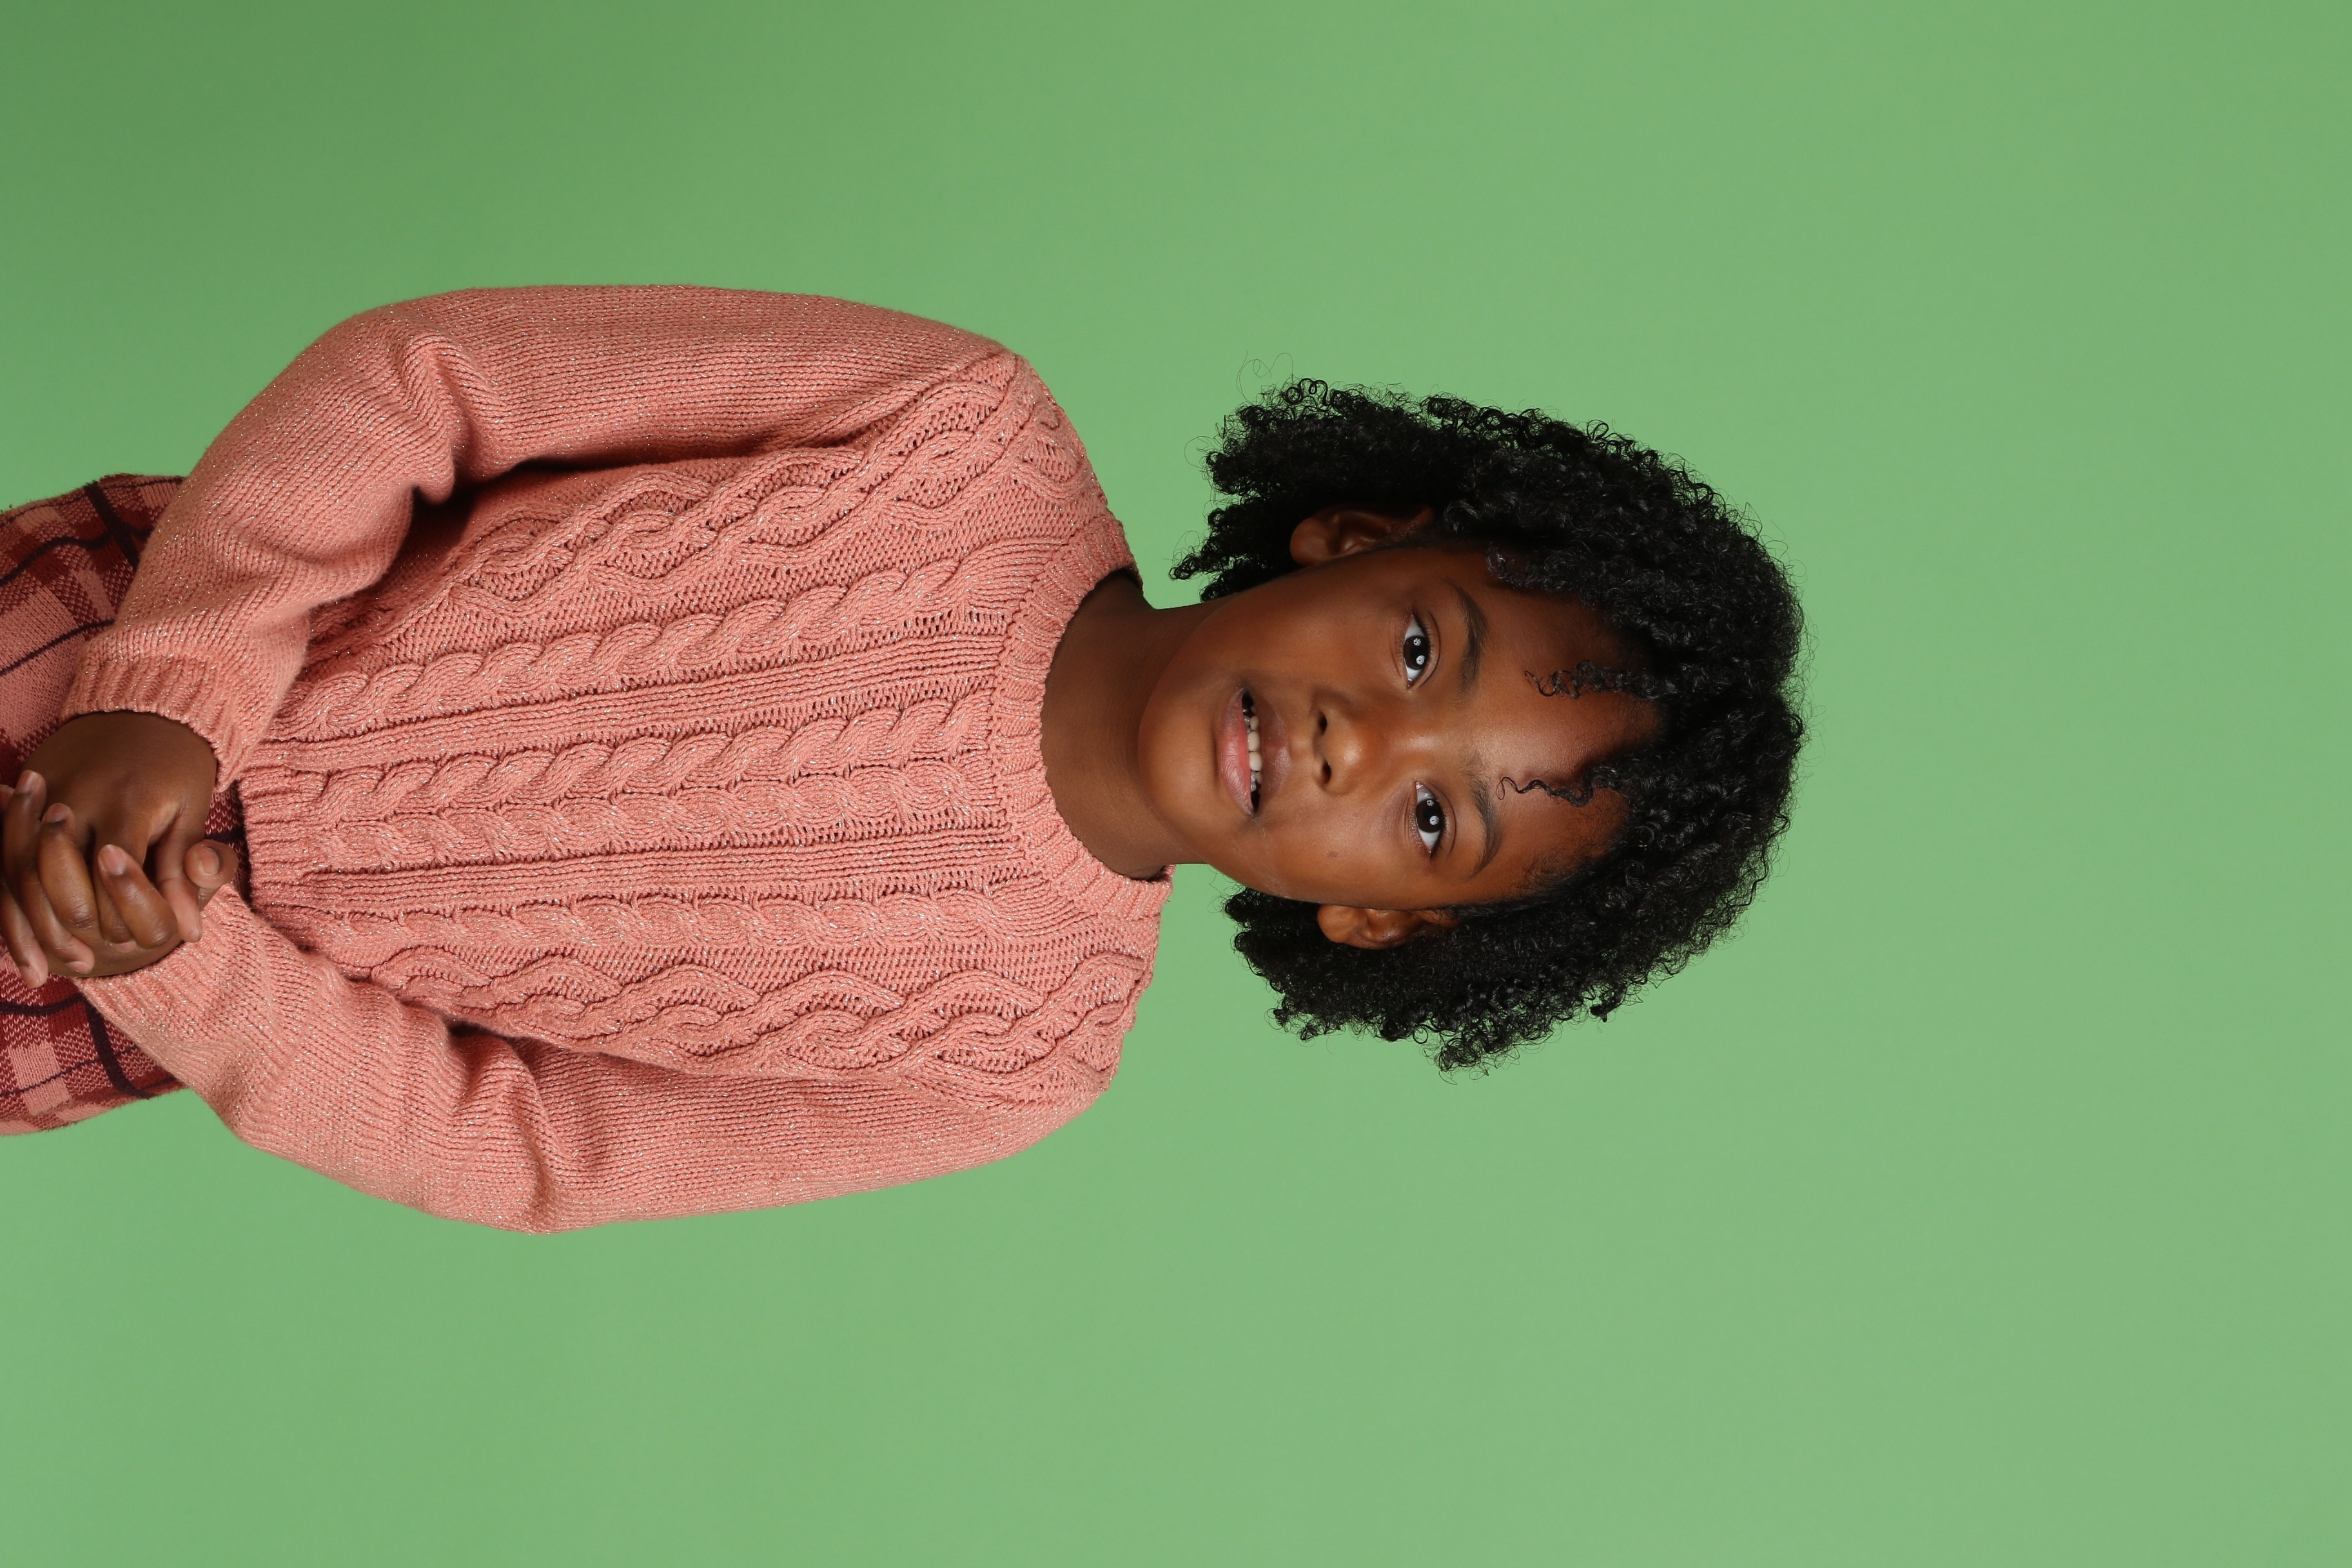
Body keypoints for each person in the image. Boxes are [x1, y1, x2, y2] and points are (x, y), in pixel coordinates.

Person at [0, 287, 1803, 1230]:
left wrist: (187, 966)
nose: (1361, 741)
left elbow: (530, 1151)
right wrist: (172, 694)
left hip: (95, 983)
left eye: (1429, 817)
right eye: (1418, 653)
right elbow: (427, 379)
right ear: (1360, 539)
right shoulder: (954, 424)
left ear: (1383, 924)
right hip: (117, 627)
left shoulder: (1013, 1066)